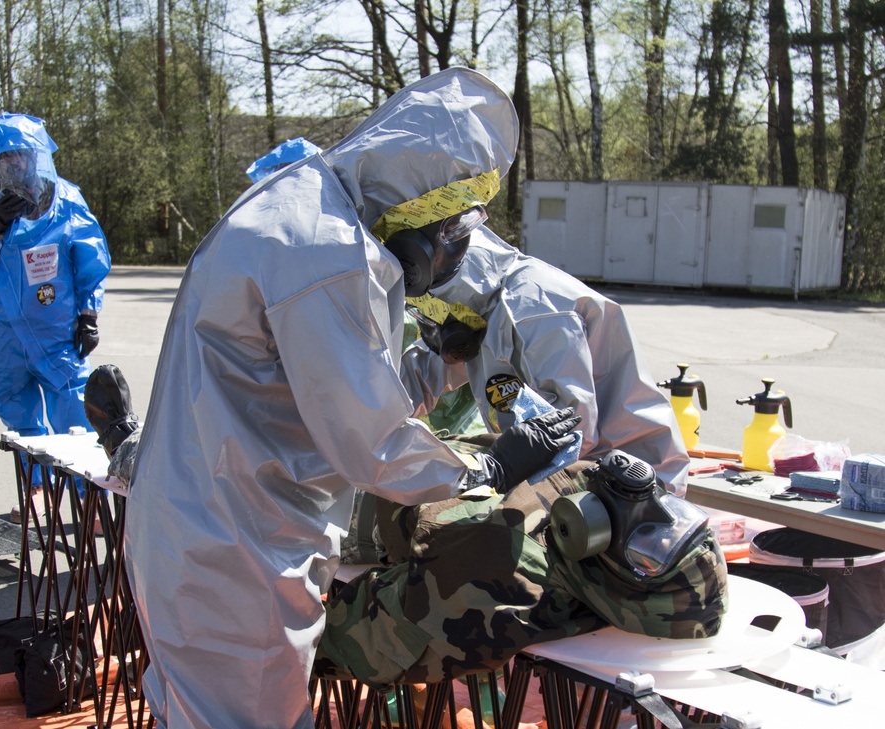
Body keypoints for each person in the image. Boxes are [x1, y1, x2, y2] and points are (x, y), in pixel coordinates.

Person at [123, 67, 582, 729]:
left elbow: (329, 382)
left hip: (201, 526)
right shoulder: (327, 253)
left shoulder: (309, 211)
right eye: (451, 232)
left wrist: (440, 362)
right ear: (418, 206)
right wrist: (492, 468)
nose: (453, 251)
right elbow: (375, 444)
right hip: (232, 549)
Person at [314, 443, 728, 689]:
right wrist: (488, 464)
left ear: (629, 595)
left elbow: (342, 641)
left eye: (646, 545)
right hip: (371, 463)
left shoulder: (503, 587)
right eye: (674, 513)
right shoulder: (587, 491)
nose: (645, 507)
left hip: (329, 507)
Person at [402, 225, 690, 495]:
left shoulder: (535, 313)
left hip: (629, 486)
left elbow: (570, 439)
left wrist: (491, 470)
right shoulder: (472, 309)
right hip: (571, 478)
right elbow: (419, 373)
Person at [0, 112, 111, 521]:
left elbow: (90, 255)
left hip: (56, 331)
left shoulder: (66, 199)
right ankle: (37, 494)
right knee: (19, 419)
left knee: (76, 416)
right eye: (3, 158)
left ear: (36, 157)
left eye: (20, 154)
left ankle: (89, 498)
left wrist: (89, 312)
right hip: (2, 335)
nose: (14, 164)